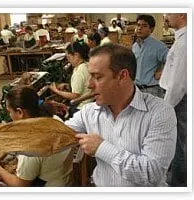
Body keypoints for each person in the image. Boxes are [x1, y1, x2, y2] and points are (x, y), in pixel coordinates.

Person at [65, 43, 177, 186]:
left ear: (122, 76)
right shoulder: (89, 112)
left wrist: (101, 148)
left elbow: (152, 174)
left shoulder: (159, 112)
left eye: (97, 77)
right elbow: (56, 135)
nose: (89, 85)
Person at [0, 85, 73, 187]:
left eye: (10, 112)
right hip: (63, 177)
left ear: (20, 112)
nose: (10, 116)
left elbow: (20, 185)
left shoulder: (31, 147)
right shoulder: (54, 119)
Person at [159, 13, 187, 187]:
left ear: (182, 14)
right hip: (178, 100)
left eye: (169, 12)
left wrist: (165, 110)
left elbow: (178, 85)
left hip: (179, 101)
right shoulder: (182, 38)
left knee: (179, 148)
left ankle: (178, 186)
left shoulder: (185, 42)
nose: (165, 16)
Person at [49, 41, 92, 114]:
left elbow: (74, 96)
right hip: (89, 104)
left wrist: (56, 91)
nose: (68, 60)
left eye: (69, 57)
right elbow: (84, 85)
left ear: (76, 55)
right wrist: (68, 85)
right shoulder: (86, 65)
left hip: (81, 108)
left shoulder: (79, 71)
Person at [132, 14, 169, 98]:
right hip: (137, 90)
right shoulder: (135, 46)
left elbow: (174, 61)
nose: (140, 28)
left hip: (152, 90)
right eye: (138, 25)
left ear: (151, 29)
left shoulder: (158, 46)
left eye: (144, 26)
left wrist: (162, 72)